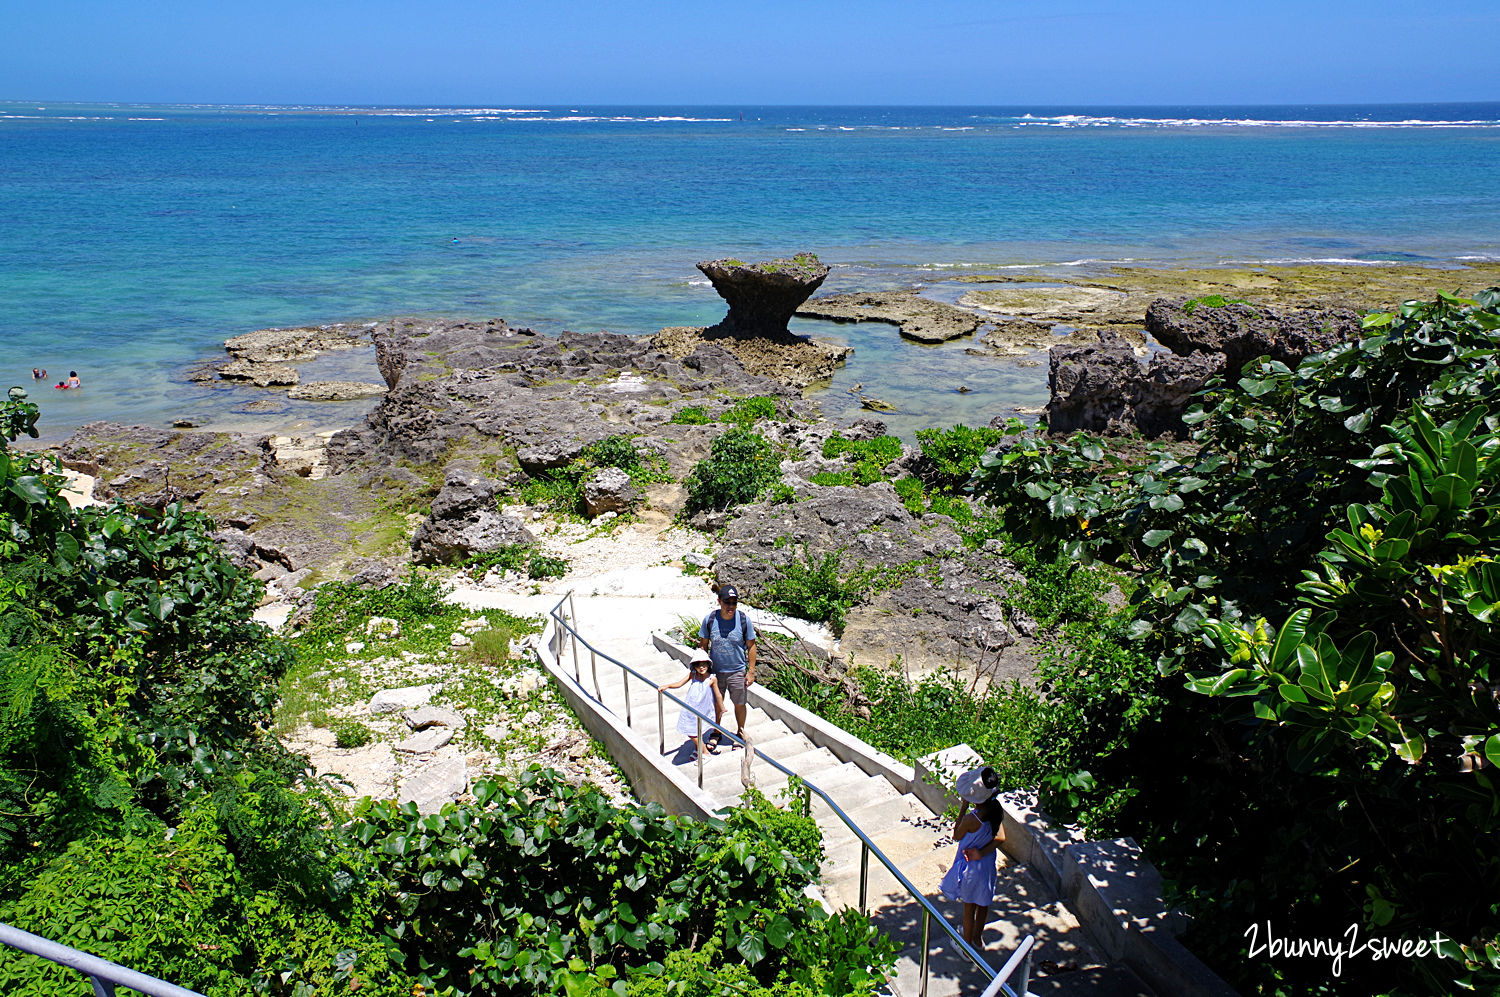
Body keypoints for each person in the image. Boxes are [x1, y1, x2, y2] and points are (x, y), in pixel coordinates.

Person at [940, 767, 1006, 948]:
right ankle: (978, 939)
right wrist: (982, 852)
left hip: (971, 869)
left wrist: (963, 807)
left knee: (968, 909)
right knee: (983, 904)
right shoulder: (996, 811)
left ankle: (967, 948)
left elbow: (956, 835)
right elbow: (1001, 838)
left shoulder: (972, 819)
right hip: (986, 867)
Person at [699, 585, 755, 749]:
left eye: (734, 602)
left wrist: (751, 672)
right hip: (715, 672)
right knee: (716, 704)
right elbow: (703, 646)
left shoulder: (744, 620)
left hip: (737, 670)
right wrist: (701, 670)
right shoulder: (710, 620)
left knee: (739, 703)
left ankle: (740, 733)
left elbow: (751, 646)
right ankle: (716, 731)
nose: (731, 606)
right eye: (727, 602)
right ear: (719, 602)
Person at [658, 654, 724, 761]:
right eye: (698, 666)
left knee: (694, 731)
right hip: (691, 706)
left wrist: (721, 708)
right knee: (692, 729)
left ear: (708, 665)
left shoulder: (712, 679)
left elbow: (718, 694)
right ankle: (699, 749)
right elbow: (679, 683)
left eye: (703, 665)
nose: (701, 668)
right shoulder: (693, 675)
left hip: (703, 707)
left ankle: (705, 753)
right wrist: (667, 686)